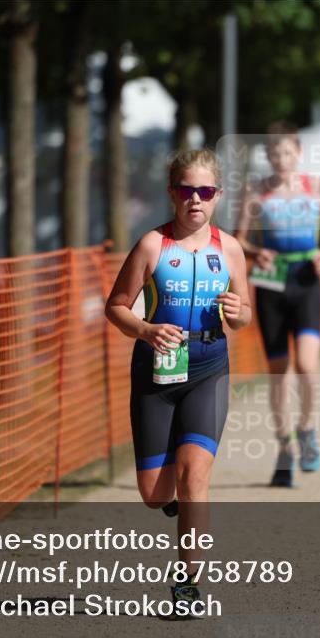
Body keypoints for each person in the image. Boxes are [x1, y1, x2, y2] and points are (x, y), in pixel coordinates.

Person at [105, 148, 252, 612]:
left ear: (218, 196)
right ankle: (174, 506)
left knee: (194, 479)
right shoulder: (152, 245)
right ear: (173, 193)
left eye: (205, 191)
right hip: (157, 370)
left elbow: (245, 313)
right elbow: (116, 306)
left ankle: (187, 584)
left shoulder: (229, 249)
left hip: (209, 367)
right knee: (154, 494)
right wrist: (146, 330)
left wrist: (238, 312)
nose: (196, 199)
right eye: (187, 190)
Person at [235, 121, 320, 488]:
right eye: (274, 154)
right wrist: (256, 251)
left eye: (287, 152)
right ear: (267, 157)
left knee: (308, 366)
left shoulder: (317, 187)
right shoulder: (256, 192)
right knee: (278, 372)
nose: (281, 159)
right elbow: (239, 239)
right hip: (271, 283)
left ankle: (307, 429)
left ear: (298, 152)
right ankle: (284, 448)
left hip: (305, 279)